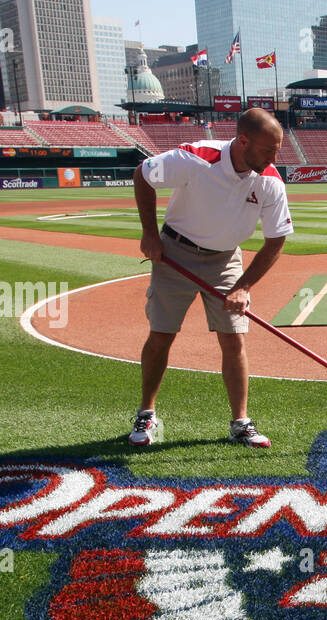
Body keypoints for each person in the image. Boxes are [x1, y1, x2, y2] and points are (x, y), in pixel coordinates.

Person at [129, 108, 293, 447]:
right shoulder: (195, 158)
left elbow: (276, 241)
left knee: (233, 340)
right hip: (175, 254)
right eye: (267, 149)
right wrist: (150, 234)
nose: (274, 158)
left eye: (278, 149)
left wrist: (243, 286)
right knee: (161, 335)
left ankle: (240, 423)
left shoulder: (270, 181)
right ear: (243, 141)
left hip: (225, 260)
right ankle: (146, 413)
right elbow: (142, 174)